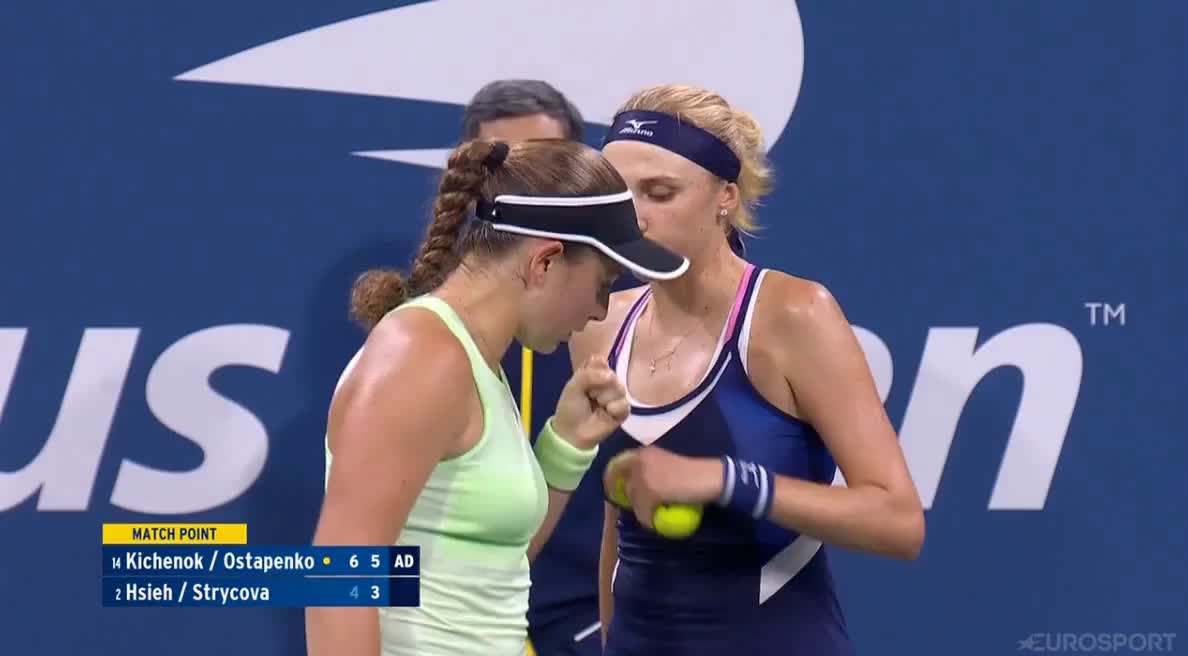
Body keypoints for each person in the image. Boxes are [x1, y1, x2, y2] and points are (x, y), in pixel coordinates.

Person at [568, 84, 927, 655]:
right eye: (617, 192)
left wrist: (726, 481)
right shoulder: (599, 323)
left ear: (726, 197)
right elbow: (619, 523)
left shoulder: (794, 315)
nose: (632, 218)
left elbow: (899, 522)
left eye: (660, 192)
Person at [306, 137, 688, 656]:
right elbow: (336, 582)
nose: (600, 311)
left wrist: (567, 443)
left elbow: (491, 573)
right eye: (603, 283)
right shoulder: (423, 356)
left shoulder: (472, 361)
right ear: (545, 262)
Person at [460, 79, 615, 656]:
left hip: (585, 621)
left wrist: (567, 446)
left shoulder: (603, 315)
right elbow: (350, 567)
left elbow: (499, 550)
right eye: (505, 169)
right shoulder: (420, 348)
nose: (529, 194)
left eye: (546, 167)